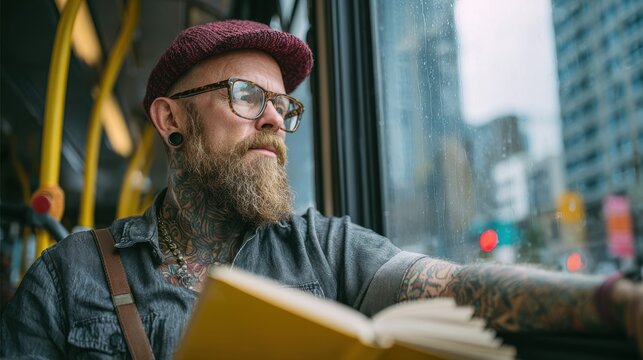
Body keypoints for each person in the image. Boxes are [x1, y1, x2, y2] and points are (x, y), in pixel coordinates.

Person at [1, 19, 641, 359]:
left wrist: (616, 303)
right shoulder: (64, 281)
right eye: (247, 96)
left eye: (284, 105)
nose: (276, 119)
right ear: (171, 120)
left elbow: (454, 285)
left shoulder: (327, 251)